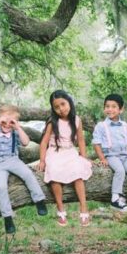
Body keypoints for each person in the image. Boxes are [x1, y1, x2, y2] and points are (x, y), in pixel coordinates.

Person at [0, 105, 48, 234]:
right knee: (1, 187)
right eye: (4, 121)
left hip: (13, 160)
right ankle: (7, 217)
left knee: (28, 174)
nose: (7, 124)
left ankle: (39, 200)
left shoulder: (15, 131)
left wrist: (17, 127)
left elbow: (26, 142)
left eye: (11, 122)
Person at [38, 90, 92, 227]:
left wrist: (84, 157)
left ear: (69, 102)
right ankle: (61, 209)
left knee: (78, 172)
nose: (61, 109)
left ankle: (84, 208)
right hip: (55, 152)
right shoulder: (52, 122)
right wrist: (42, 160)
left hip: (70, 152)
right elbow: (44, 142)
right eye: (56, 107)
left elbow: (80, 141)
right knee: (54, 173)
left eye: (63, 104)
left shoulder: (76, 120)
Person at [91, 94, 127, 220]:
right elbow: (96, 143)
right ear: (104, 108)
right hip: (111, 155)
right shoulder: (101, 126)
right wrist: (102, 158)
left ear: (121, 109)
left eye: (114, 107)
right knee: (119, 170)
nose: (110, 109)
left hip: (125, 155)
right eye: (107, 106)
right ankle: (115, 198)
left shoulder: (125, 126)